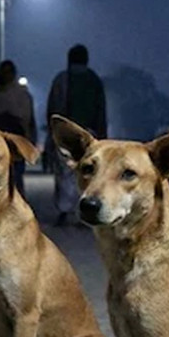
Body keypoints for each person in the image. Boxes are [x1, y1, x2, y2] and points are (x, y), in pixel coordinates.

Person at [45, 44, 107, 226]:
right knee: (87, 173)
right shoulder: (94, 80)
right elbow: (101, 110)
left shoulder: (62, 79)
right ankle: (83, 212)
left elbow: (52, 110)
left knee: (64, 174)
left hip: (67, 136)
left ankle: (64, 211)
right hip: (90, 135)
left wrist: (53, 133)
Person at [0, 60, 37, 197]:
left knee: (15, 177)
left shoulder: (21, 95)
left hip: (15, 143)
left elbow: (29, 121)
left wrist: (29, 144)